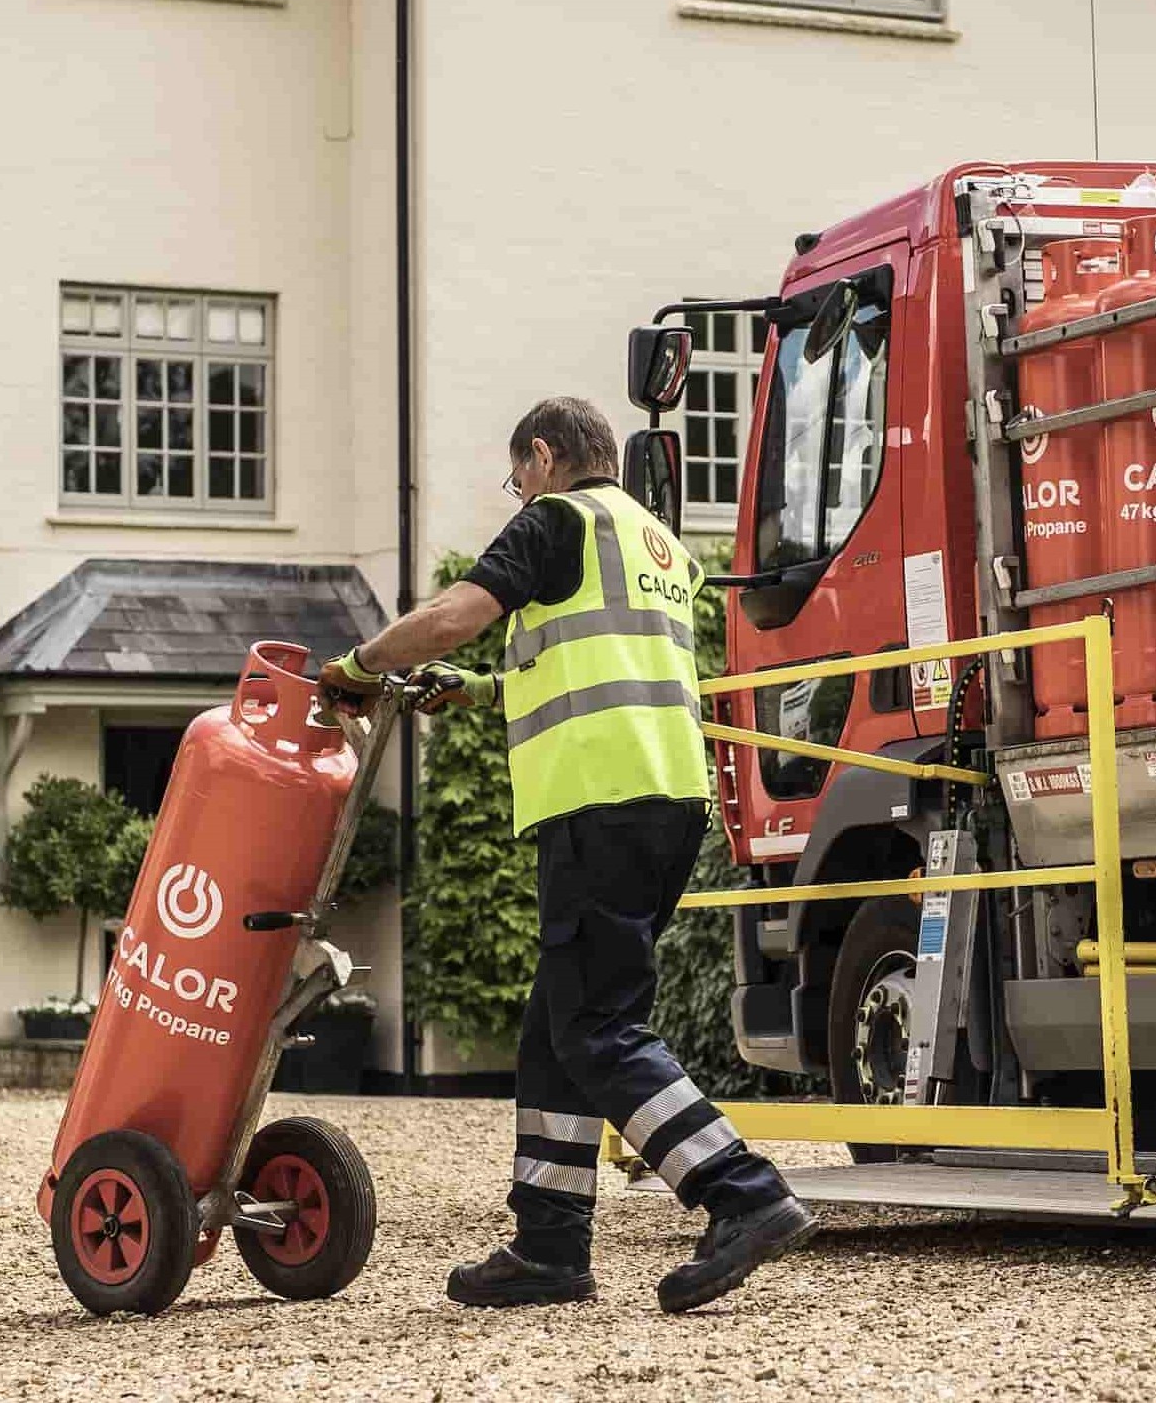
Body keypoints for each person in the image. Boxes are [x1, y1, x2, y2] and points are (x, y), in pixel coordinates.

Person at [318, 396, 815, 1315]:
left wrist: (358, 665)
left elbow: (451, 614)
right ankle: (550, 1245)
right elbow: (588, 661)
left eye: (518, 477)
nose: (519, 493)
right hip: (667, 799)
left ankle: (741, 1194)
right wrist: (473, 691)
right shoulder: (654, 541)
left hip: (600, 800)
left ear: (543, 457)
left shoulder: (556, 519)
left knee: (598, 1028)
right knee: (559, 1027)